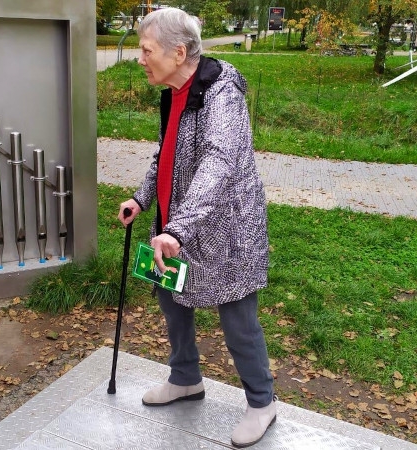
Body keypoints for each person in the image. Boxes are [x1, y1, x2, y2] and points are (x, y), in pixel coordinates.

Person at [117, 7, 275, 448]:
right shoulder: (174, 91)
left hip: (226, 229)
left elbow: (219, 163)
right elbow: (165, 153)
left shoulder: (220, 93)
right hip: (176, 224)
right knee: (172, 301)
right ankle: (185, 377)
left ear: (179, 52)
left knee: (238, 319)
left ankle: (262, 403)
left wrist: (178, 227)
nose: (141, 58)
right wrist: (142, 198)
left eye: (146, 50)